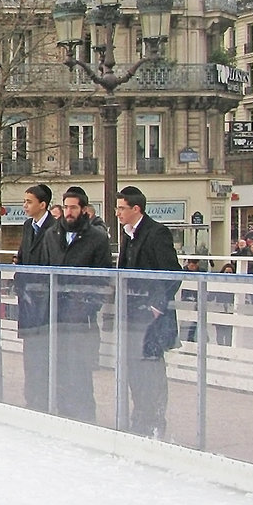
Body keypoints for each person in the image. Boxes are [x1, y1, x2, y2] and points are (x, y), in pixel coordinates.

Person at [114, 186, 183, 438]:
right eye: (117, 207)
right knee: (134, 369)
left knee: (151, 372)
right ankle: (140, 418)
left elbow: (173, 274)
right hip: (131, 315)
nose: (117, 212)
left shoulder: (157, 233)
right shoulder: (127, 234)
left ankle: (154, 421)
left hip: (152, 320)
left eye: (122, 208)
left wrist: (156, 307)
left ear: (136, 209)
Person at [52, 186, 114, 422]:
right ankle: (62, 411)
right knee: (60, 366)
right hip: (57, 313)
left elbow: (103, 275)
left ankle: (85, 415)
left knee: (81, 368)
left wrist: (90, 306)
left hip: (82, 317)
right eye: (66, 207)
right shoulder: (53, 235)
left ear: (84, 209)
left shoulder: (97, 238)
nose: (69, 212)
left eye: (73, 207)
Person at [14, 184, 60, 411]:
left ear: (43, 204)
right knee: (30, 353)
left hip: (46, 301)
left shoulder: (55, 228)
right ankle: (32, 398)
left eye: (29, 201)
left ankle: (46, 399)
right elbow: (23, 256)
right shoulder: (27, 226)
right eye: (25, 201)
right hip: (28, 301)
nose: (25, 205)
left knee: (45, 353)